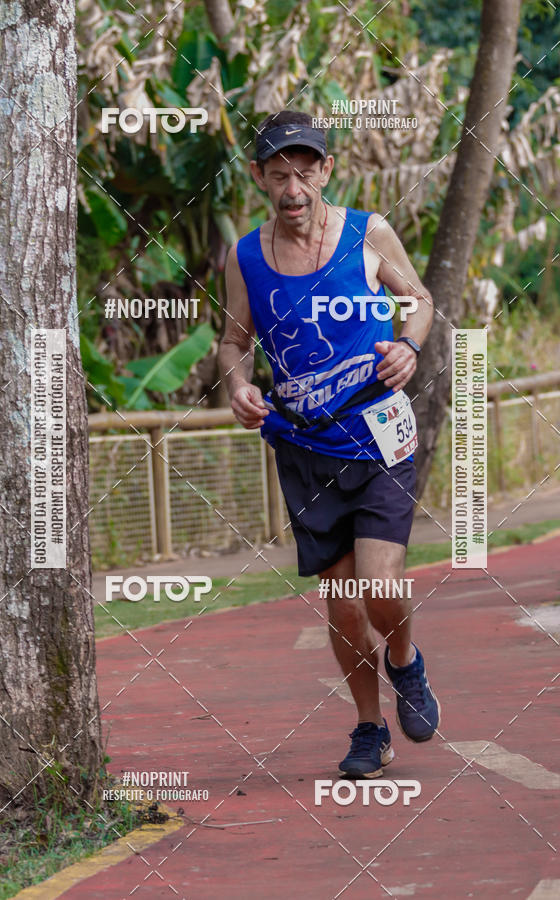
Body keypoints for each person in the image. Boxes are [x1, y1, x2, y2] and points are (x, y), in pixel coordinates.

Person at [218, 110, 440, 779]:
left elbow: (422, 300)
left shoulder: (368, 232)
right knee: (342, 603)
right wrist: (237, 383)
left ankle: (405, 658)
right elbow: (233, 341)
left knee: (379, 584)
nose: (294, 188)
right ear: (259, 177)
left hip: (378, 434)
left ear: (326, 172)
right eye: (279, 174)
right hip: (304, 447)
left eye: (306, 172)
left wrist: (408, 345)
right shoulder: (246, 256)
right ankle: (370, 729)